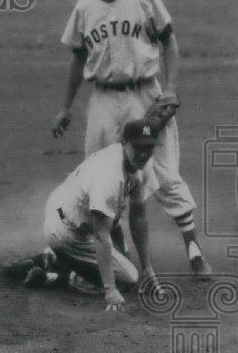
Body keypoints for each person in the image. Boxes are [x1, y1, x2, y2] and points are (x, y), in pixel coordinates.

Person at [52, 0, 211, 277]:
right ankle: (115, 245)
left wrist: (169, 89)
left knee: (162, 171)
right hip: (103, 99)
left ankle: (193, 247)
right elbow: (79, 57)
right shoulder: (84, 8)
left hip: (144, 93)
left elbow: (168, 39)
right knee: (98, 170)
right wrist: (66, 107)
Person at [18, 119, 162, 313]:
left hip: (70, 212)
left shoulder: (141, 164)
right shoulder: (110, 177)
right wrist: (110, 290)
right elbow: (101, 235)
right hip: (66, 231)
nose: (144, 154)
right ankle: (54, 277)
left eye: (148, 147)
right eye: (138, 147)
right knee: (128, 279)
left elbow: (138, 217)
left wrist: (148, 269)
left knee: (125, 260)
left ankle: (50, 258)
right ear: (124, 143)